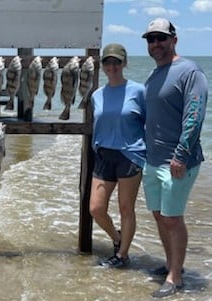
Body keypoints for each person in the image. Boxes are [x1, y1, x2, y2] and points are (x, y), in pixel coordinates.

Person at [141, 18, 208, 298]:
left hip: (178, 162)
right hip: (152, 160)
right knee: (159, 216)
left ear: (174, 40)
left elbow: (195, 114)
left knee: (172, 218)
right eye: (150, 39)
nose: (156, 44)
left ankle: (175, 277)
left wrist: (181, 154)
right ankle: (170, 263)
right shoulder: (154, 75)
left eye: (161, 38)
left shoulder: (190, 71)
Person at [89, 43, 146, 269]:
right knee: (96, 208)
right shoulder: (97, 95)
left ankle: (122, 256)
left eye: (117, 62)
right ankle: (117, 238)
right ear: (102, 65)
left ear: (125, 63)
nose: (112, 66)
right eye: (108, 62)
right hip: (104, 154)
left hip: (130, 155)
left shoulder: (138, 91)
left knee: (125, 208)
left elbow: (150, 122)